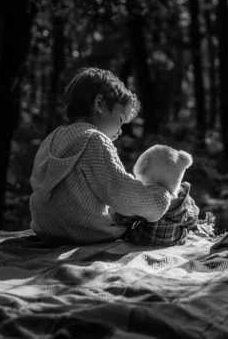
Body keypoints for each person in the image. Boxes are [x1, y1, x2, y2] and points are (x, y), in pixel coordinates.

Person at [29, 67, 172, 245]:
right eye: (120, 120)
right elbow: (121, 193)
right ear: (100, 105)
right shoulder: (95, 140)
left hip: (47, 230)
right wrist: (161, 197)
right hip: (86, 233)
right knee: (169, 216)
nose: (120, 131)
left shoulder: (52, 138)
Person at [118, 145, 199, 246]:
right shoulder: (183, 200)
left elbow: (127, 218)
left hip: (141, 239)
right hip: (174, 241)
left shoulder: (145, 197)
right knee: (184, 230)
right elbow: (192, 221)